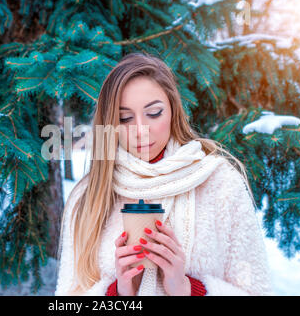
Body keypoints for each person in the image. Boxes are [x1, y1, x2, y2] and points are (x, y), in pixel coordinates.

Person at [55, 52, 273, 296]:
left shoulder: (220, 183)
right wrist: (119, 293)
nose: (140, 131)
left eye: (154, 113)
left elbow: (258, 291)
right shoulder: (89, 196)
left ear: (172, 111)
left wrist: (189, 290)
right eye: (125, 118)